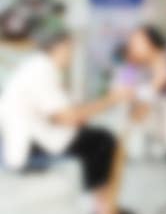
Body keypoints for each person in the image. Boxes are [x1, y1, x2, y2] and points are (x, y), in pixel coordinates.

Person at [0, 26, 132, 214]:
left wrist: (80, 115)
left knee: (95, 139)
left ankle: (102, 206)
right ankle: (100, 208)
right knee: (103, 141)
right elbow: (68, 117)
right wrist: (112, 99)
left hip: (33, 136)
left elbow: (63, 112)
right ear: (59, 47)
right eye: (70, 49)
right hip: (27, 146)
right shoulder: (40, 70)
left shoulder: (40, 67)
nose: (71, 55)